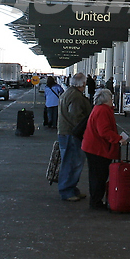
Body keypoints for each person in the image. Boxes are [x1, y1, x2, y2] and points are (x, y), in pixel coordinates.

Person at [81, 88, 128, 210]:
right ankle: (96, 202)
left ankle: (95, 200)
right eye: (111, 99)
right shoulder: (103, 111)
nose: (113, 101)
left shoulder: (99, 109)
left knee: (96, 175)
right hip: (98, 149)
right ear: (106, 100)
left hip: (93, 146)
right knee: (99, 176)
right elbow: (104, 131)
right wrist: (118, 139)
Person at [56, 73, 92, 202]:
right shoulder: (76, 97)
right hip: (72, 134)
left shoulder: (68, 93)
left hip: (66, 132)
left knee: (70, 162)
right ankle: (67, 190)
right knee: (73, 163)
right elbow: (76, 117)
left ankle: (71, 188)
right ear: (82, 84)